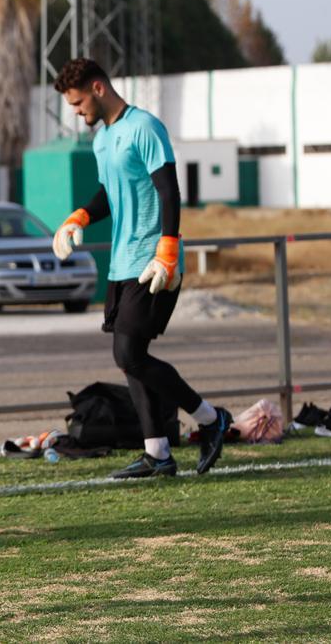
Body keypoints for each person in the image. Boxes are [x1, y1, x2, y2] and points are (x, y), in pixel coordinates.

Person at [50, 58, 233, 480]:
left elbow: (169, 190)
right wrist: (79, 215)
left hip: (154, 261)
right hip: (121, 263)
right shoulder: (103, 140)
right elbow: (108, 193)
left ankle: (210, 419)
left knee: (129, 353)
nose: (76, 112)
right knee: (130, 359)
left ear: (98, 88)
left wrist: (168, 246)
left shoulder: (144, 127)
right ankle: (158, 453)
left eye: (77, 103)